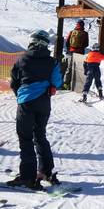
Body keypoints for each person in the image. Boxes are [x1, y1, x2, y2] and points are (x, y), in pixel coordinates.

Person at [8, 29, 62, 190]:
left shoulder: (22, 59)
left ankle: (27, 176)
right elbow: (57, 82)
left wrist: (21, 95)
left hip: (26, 103)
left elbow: (14, 82)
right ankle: (45, 171)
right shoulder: (52, 62)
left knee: (25, 138)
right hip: (44, 103)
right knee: (40, 135)